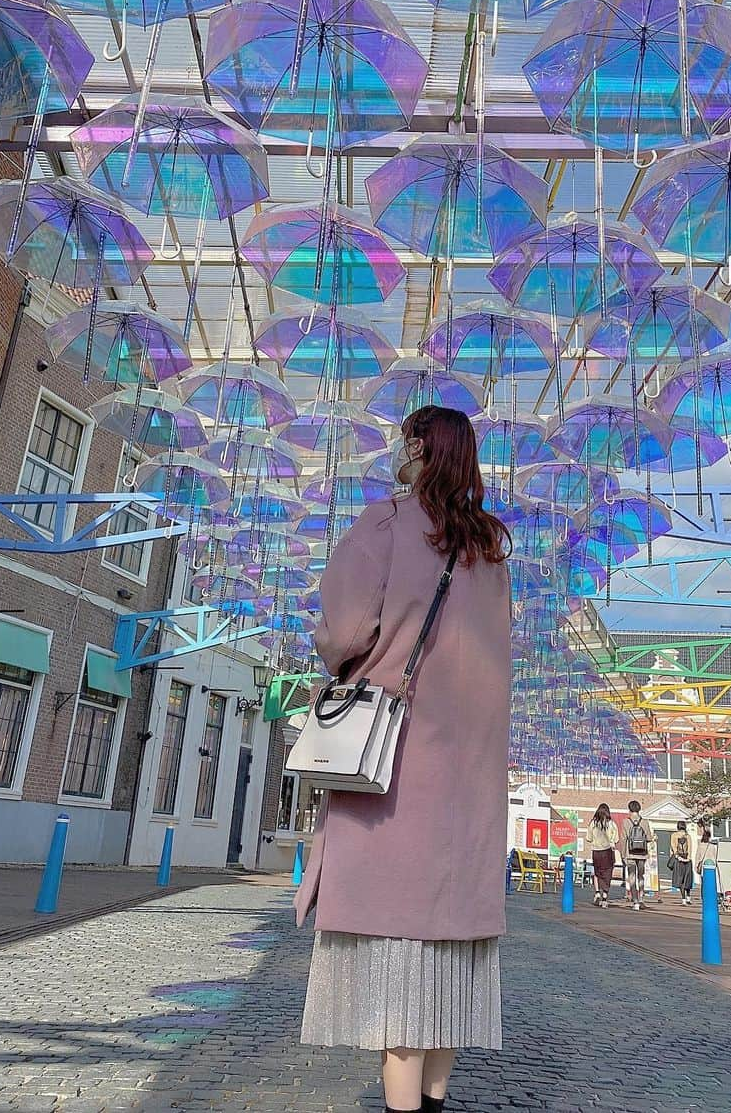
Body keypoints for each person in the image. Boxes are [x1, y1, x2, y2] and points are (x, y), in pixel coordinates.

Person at [296, 406, 512, 1113]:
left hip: (393, 776)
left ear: (418, 446)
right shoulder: (490, 551)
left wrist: (340, 657)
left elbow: (345, 629)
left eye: (403, 439)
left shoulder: (385, 525)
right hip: (469, 789)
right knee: (446, 977)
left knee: (397, 987)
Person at [621, 800, 654, 910]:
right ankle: (641, 899)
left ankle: (635, 902)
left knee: (632, 877)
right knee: (641, 876)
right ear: (639, 809)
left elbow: (623, 839)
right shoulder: (644, 822)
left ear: (629, 809)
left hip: (630, 854)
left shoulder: (626, 822)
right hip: (642, 854)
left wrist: (623, 854)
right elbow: (649, 838)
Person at [586, 804, 618, 907]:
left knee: (597, 872)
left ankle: (597, 892)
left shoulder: (593, 823)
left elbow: (588, 838)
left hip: (596, 851)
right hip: (607, 851)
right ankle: (604, 897)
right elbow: (616, 839)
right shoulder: (612, 824)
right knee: (607, 873)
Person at [669, 819, 698, 905]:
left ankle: (683, 899)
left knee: (680, 880)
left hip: (679, 860)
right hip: (687, 860)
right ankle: (689, 898)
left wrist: (678, 857)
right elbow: (690, 848)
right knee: (688, 879)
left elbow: (673, 847)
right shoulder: (687, 836)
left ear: (678, 826)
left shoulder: (674, 835)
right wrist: (688, 858)